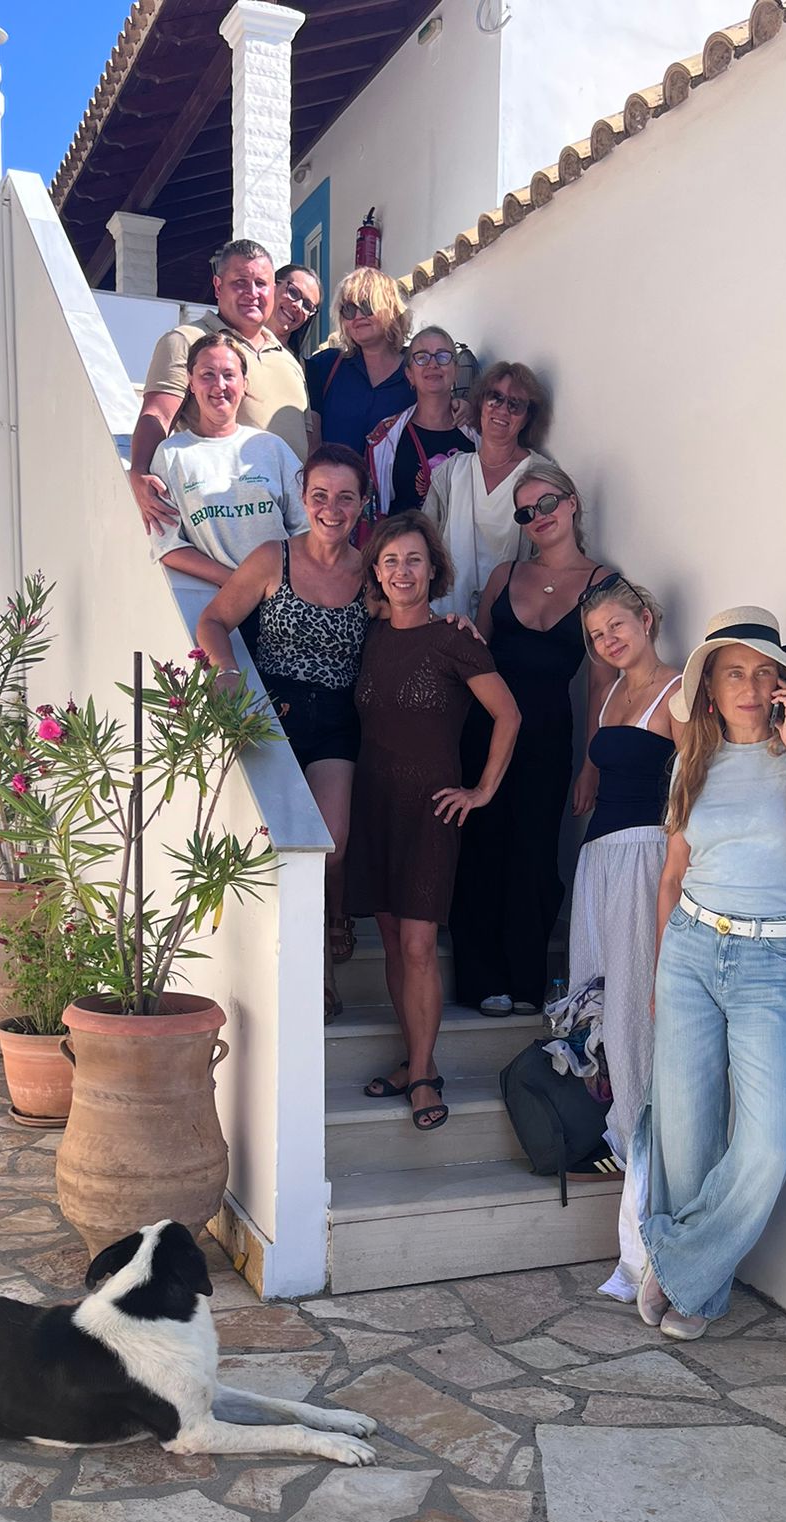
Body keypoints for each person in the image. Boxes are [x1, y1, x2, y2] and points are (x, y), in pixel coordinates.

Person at [639, 607, 786, 1340]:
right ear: (710, 688)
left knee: (767, 1144)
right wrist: (660, 971)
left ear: (784, 684)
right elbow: (674, 873)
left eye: (765, 673)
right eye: (735, 673)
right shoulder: (691, 760)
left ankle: (672, 1262)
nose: (751, 688)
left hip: (772, 960)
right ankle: (697, 1295)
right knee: (686, 1136)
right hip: (690, 951)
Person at [347, 512, 520, 1133]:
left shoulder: (455, 639)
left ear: (433, 568)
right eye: (391, 560)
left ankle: (423, 1074)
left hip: (430, 809)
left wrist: (481, 791)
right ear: (376, 571)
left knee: (420, 944)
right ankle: (415, 1057)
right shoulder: (370, 635)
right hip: (373, 803)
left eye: (414, 559)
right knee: (393, 939)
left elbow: (509, 715)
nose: (402, 571)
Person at [197, 444, 372, 1022]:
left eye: (345, 497)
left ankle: (335, 915)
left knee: (334, 844)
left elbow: (408, 616)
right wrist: (226, 672)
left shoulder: (370, 570)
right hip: (274, 715)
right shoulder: (274, 557)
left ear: (362, 503)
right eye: (320, 495)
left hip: (338, 719)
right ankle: (316, 974)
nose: (331, 508)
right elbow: (213, 619)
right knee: (284, 847)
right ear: (303, 496)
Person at [450, 462, 614, 1016]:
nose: (538, 517)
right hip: (485, 729)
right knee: (480, 847)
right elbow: (475, 657)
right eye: (526, 512)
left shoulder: (601, 584)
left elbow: (600, 684)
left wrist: (591, 763)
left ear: (571, 502)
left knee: (535, 853)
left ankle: (524, 979)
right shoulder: (505, 575)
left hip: (548, 735)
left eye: (547, 503)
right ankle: (480, 980)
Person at [565, 574, 679, 1300]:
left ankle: (641, 1251)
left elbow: (691, 792)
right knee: (597, 1014)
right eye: (596, 635)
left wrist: (675, 875)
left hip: (644, 860)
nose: (608, 640)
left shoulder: (678, 691)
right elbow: (595, 776)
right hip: (599, 862)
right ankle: (618, 1154)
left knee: (637, 1028)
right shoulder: (607, 695)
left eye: (617, 626)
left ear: (646, 619)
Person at [129, 237, 310, 532]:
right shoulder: (185, 341)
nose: (252, 293)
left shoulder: (289, 361)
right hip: (227, 524)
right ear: (217, 286)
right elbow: (158, 415)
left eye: (261, 284)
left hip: (292, 526)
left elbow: (307, 442)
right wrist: (138, 471)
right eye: (240, 282)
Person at [148, 334, 307, 587]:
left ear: (244, 383)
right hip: (214, 600)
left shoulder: (272, 448)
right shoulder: (170, 454)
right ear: (191, 383)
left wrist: (277, 587)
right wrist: (240, 586)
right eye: (207, 374)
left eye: (229, 375)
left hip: (282, 596)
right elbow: (169, 546)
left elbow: (306, 528)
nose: (219, 385)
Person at [423, 361, 546, 617]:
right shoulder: (450, 473)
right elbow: (423, 543)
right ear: (480, 404)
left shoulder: (541, 477)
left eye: (515, 404)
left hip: (508, 623)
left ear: (527, 418)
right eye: (495, 398)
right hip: (445, 618)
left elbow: (547, 559)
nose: (502, 409)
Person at [367, 325, 476, 517]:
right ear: (410, 375)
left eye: (443, 356)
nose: (432, 364)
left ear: (456, 371)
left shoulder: (478, 433)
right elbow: (373, 510)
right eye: (422, 357)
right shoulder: (385, 437)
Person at [305, 269, 413, 454]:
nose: (357, 316)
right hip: (336, 473)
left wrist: (462, 408)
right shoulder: (326, 366)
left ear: (391, 309)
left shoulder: (417, 367)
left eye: (366, 305)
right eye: (348, 309)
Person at [272, 263, 322, 352]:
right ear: (273, 285)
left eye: (307, 306)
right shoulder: (243, 345)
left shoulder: (291, 361)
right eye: (293, 292)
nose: (298, 306)